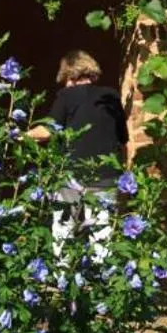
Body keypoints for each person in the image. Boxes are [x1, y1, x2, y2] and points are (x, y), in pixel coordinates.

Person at [29, 50, 128, 251]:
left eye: (65, 79)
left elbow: (47, 131)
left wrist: (19, 135)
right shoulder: (112, 97)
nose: (65, 85)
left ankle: (62, 270)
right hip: (106, 175)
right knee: (102, 235)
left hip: (72, 176)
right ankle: (101, 271)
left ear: (71, 76)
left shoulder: (67, 96)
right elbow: (123, 137)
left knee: (63, 231)